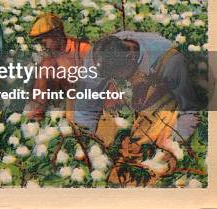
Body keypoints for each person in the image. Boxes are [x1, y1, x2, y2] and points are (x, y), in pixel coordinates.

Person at [74, 31, 201, 186]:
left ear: (130, 57)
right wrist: (86, 147)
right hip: (139, 118)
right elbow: (85, 110)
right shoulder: (97, 58)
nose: (117, 80)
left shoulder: (168, 60)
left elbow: (190, 111)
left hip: (166, 111)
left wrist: (171, 147)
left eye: (119, 75)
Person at [25, 13, 92, 121]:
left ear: (57, 35)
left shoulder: (83, 50)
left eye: (44, 40)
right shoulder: (49, 61)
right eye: (39, 41)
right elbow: (39, 96)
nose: (42, 44)